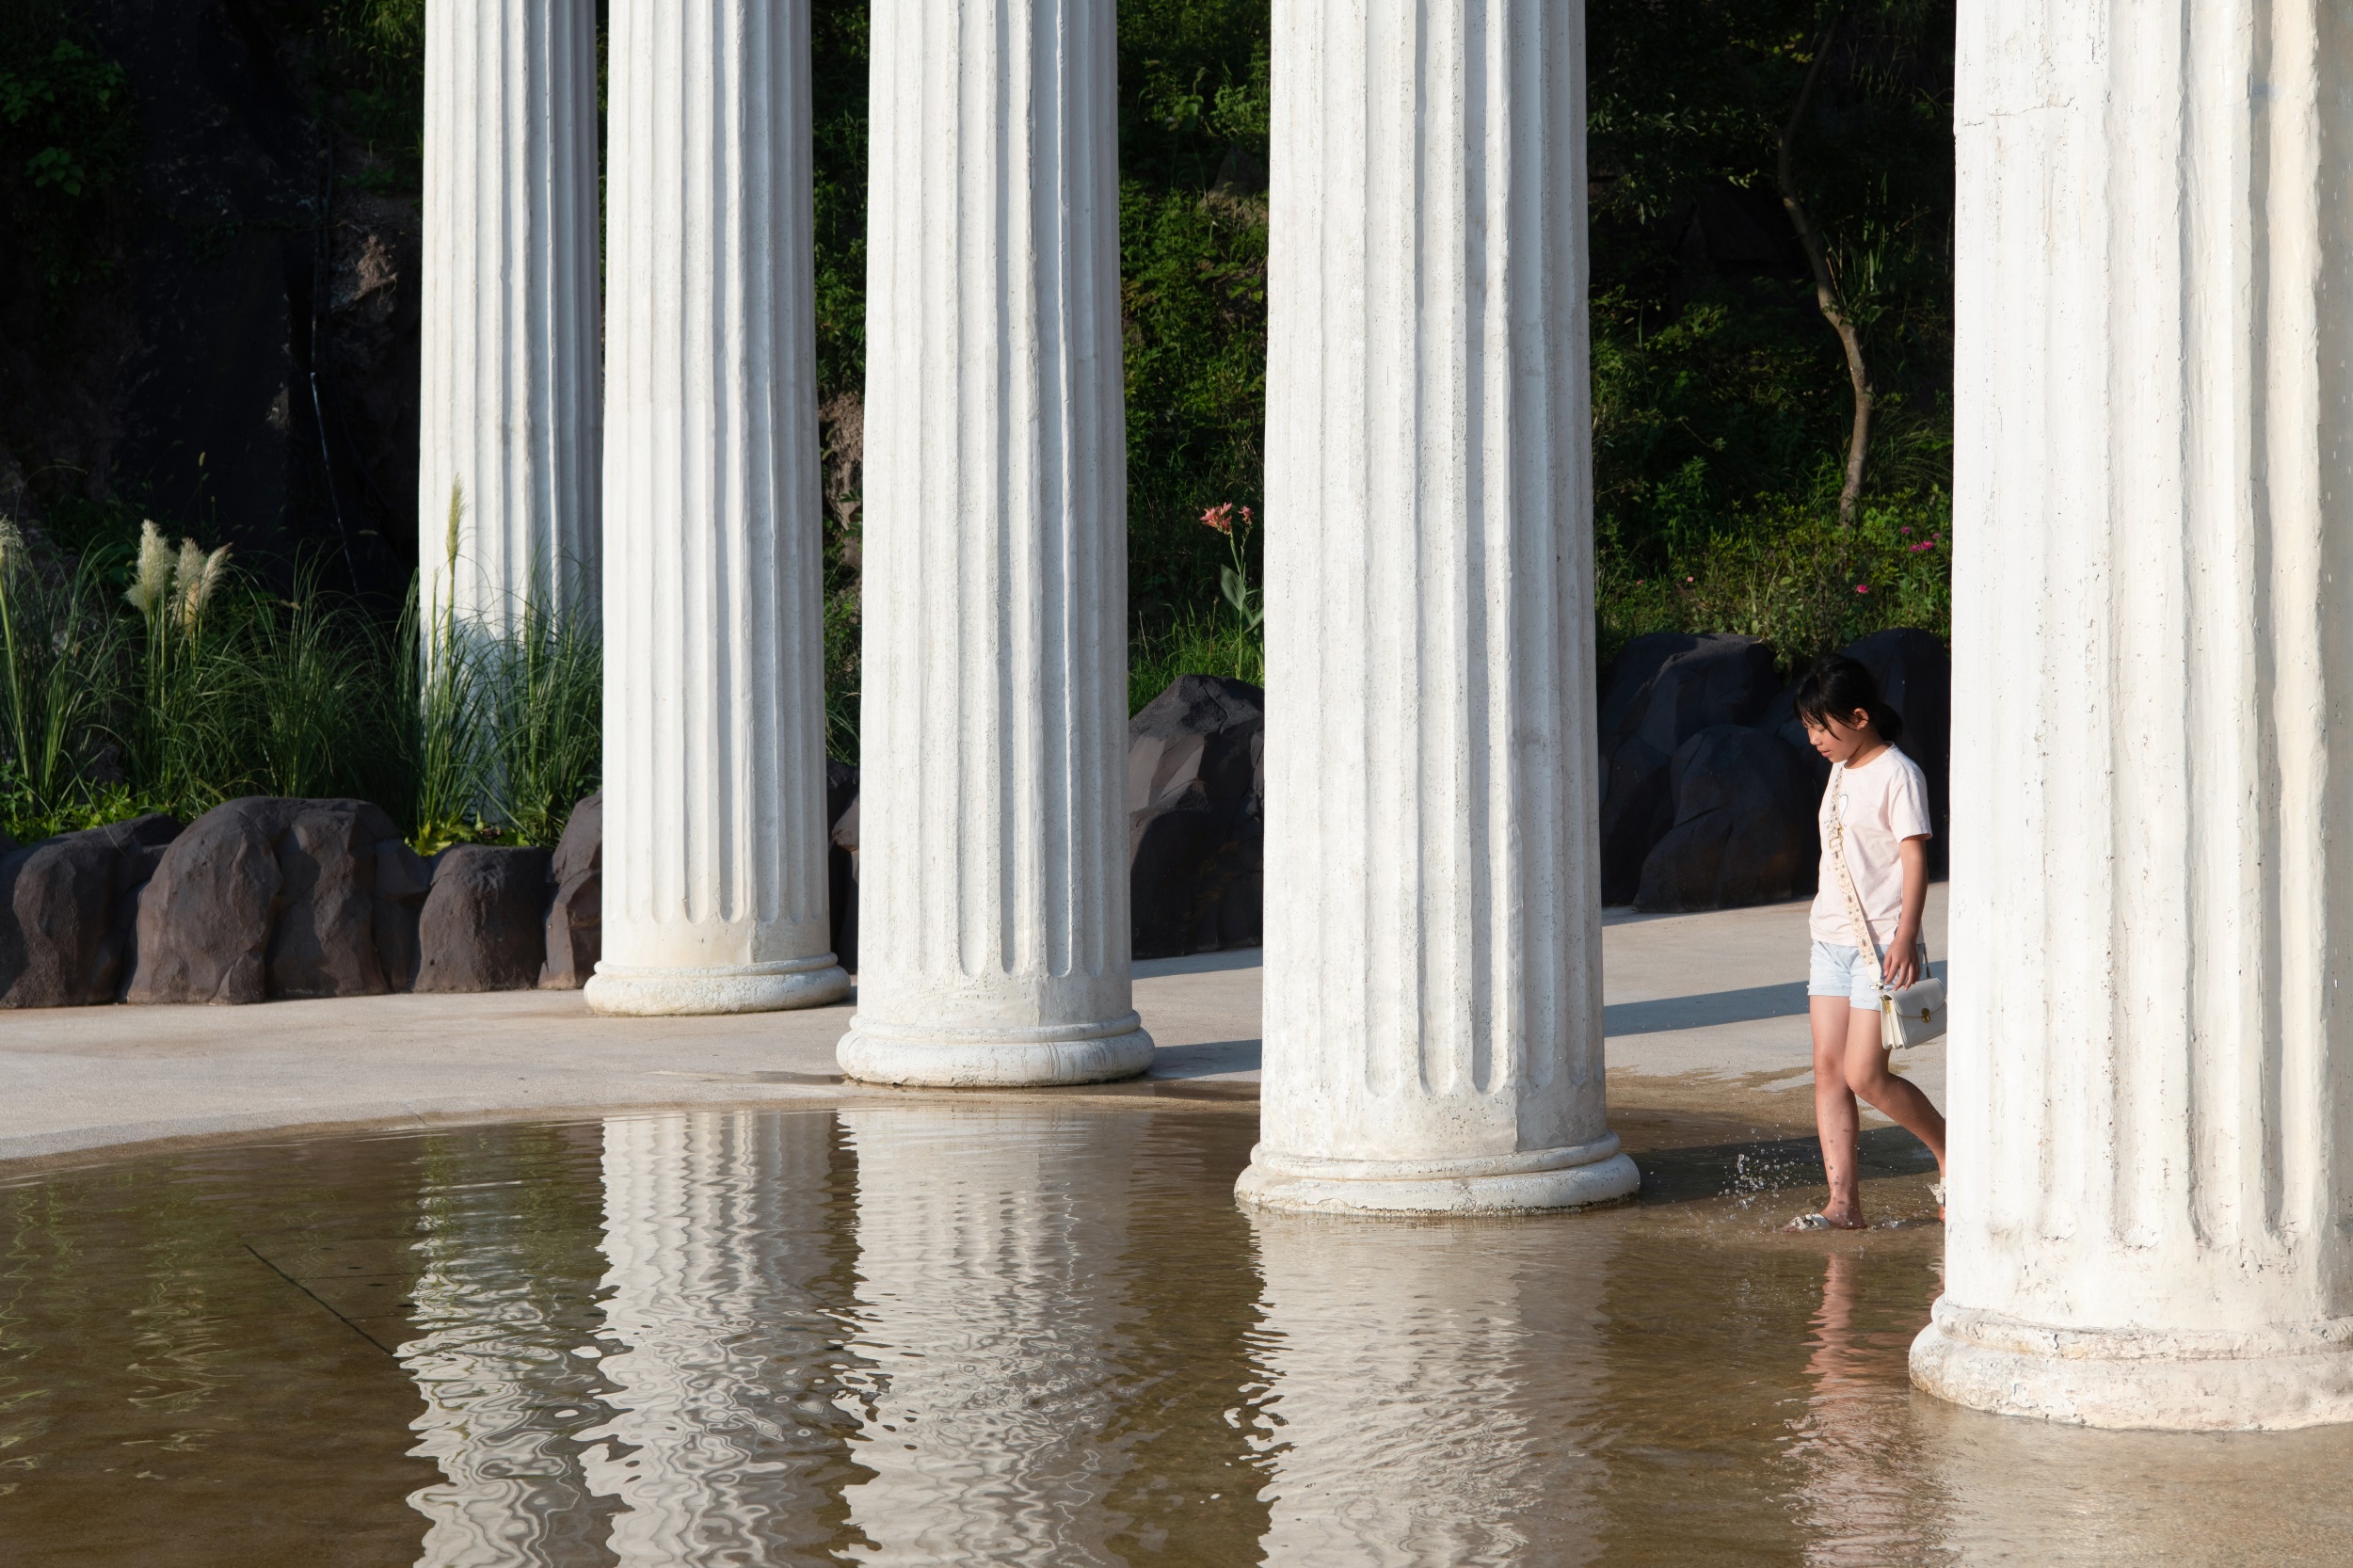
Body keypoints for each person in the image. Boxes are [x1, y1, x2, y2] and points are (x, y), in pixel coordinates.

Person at [1784, 655, 1946, 1230]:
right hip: (1828, 941)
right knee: (1828, 1071)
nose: (1813, 740)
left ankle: (1954, 1155)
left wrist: (1906, 936)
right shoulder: (1842, 767)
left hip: (1880, 945)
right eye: (1807, 727)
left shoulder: (1898, 773)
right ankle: (1844, 1206)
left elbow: (1913, 858)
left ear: (1858, 716)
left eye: (1821, 727)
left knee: (1864, 1075)